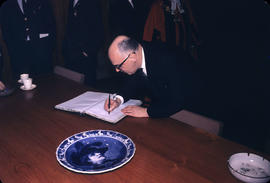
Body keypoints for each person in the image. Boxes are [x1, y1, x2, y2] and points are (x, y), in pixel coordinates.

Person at [104, 35, 203, 118]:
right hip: (165, 107)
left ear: (132, 57)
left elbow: (179, 99)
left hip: (194, 111)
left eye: (118, 66)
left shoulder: (168, 59)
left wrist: (147, 112)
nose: (117, 70)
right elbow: (133, 81)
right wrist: (118, 100)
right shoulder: (138, 53)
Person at [0, 0, 56, 79]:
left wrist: (47, 49)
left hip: (42, 56)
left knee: (46, 85)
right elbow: (6, 34)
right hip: (19, 58)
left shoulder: (43, 2)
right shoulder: (6, 6)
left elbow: (52, 28)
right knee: (23, 88)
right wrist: (15, 54)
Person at [63, 0, 104, 86]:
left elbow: (99, 29)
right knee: (74, 86)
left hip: (86, 54)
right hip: (72, 53)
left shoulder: (92, 2)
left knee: (89, 85)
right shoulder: (72, 2)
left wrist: (89, 51)